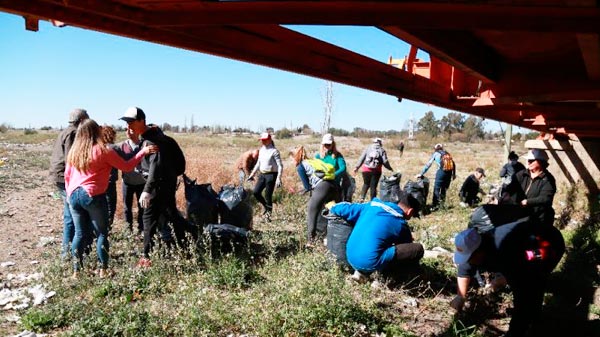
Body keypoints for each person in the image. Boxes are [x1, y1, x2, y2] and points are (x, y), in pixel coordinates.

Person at [65, 119, 157, 278]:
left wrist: (69, 195)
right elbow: (127, 166)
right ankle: (103, 270)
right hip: (92, 195)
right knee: (101, 233)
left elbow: (67, 176)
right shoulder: (103, 150)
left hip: (73, 195)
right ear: (96, 131)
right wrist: (143, 152)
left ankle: (76, 272)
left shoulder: (74, 151)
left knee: (79, 234)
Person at [450, 221, 565, 337]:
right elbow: (465, 268)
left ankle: (535, 321)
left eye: (469, 258)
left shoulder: (506, 252)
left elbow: (521, 296)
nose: (468, 260)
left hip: (549, 243)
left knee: (533, 283)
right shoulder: (477, 247)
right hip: (525, 241)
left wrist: (514, 332)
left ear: (479, 252)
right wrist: (461, 296)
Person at [120, 106, 196, 264]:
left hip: (156, 187)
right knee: (171, 214)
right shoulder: (162, 138)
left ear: (142, 121)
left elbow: (156, 166)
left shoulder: (151, 141)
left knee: (148, 219)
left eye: (131, 122)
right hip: (167, 185)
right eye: (126, 122)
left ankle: (146, 258)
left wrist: (147, 190)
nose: (128, 126)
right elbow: (179, 166)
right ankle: (192, 235)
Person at [327, 189, 424, 283]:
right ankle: (387, 278)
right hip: (370, 262)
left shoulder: (370, 206)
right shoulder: (400, 223)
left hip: (350, 257)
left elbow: (343, 208)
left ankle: (361, 273)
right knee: (417, 249)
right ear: (410, 211)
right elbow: (405, 248)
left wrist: (331, 206)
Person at [48, 108, 89, 258]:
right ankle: (69, 253)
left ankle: (68, 251)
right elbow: (70, 159)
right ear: (81, 120)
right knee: (71, 215)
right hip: (63, 177)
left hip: (58, 176)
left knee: (69, 214)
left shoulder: (65, 131)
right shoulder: (73, 133)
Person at [292, 146, 340, 245]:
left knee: (312, 211)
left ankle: (310, 241)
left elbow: (307, 187)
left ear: (294, 157)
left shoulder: (300, 166)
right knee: (332, 211)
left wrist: (300, 192)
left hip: (323, 186)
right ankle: (331, 237)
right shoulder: (312, 161)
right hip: (334, 185)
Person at [501, 149, 556, 227]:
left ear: (541, 162)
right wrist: (506, 193)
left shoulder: (548, 179)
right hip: (520, 215)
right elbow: (511, 187)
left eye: (532, 160)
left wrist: (527, 202)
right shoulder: (522, 174)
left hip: (539, 217)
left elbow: (546, 198)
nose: (529, 162)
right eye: (528, 160)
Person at [113, 127, 146, 235]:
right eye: (126, 130)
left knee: (142, 207)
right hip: (127, 182)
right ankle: (128, 229)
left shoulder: (144, 145)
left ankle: (141, 228)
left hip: (142, 182)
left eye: (131, 130)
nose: (127, 131)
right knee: (127, 207)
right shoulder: (121, 146)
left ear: (137, 131)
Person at [247, 132, 283, 220]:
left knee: (268, 195)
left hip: (271, 175)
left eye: (264, 140)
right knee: (256, 192)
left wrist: (279, 178)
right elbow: (258, 163)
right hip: (262, 174)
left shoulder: (274, 151)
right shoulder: (262, 149)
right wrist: (252, 174)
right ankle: (266, 207)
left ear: (269, 140)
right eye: (262, 140)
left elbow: (280, 165)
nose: (262, 141)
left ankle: (268, 215)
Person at [353, 137, 394, 202]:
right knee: (373, 186)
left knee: (366, 184)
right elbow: (385, 161)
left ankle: (362, 197)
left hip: (366, 170)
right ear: (380, 143)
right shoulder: (382, 150)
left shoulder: (368, 148)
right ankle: (373, 201)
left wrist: (356, 167)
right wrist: (390, 168)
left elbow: (362, 158)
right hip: (376, 171)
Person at [419, 143, 456, 210]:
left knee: (437, 189)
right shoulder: (447, 153)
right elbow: (453, 164)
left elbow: (428, 164)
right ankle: (442, 205)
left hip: (441, 172)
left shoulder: (436, 154)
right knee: (443, 189)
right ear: (442, 148)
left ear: (435, 148)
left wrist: (421, 173)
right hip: (449, 173)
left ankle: (434, 206)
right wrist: (453, 174)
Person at [316, 133, 351, 201]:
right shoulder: (318, 156)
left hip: (334, 184)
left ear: (333, 144)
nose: (327, 146)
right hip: (321, 183)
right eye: (325, 144)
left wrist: (333, 175)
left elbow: (343, 168)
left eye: (329, 144)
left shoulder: (337, 155)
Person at [100, 125, 118, 227]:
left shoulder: (98, 147)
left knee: (101, 206)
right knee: (111, 206)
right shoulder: (113, 148)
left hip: (100, 182)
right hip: (110, 182)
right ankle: (107, 228)